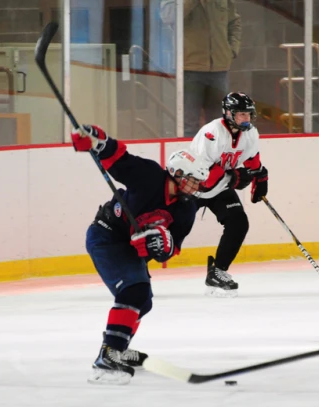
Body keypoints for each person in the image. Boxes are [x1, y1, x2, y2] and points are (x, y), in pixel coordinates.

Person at [70, 124, 211, 385]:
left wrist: (163, 244)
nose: (195, 187)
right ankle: (108, 356)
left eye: (198, 183)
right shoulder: (149, 175)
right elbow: (117, 158)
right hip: (107, 236)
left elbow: (171, 249)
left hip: (128, 248)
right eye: (192, 180)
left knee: (143, 301)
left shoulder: (186, 210)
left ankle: (118, 349)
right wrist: (97, 140)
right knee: (134, 292)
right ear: (177, 174)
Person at [189, 91, 268, 297]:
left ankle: (218, 271)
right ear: (228, 113)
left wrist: (259, 175)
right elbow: (203, 174)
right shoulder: (211, 133)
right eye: (241, 114)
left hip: (220, 187)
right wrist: (234, 177)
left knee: (238, 222)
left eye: (249, 114)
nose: (246, 119)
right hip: (193, 186)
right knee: (173, 228)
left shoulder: (250, 133)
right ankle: (137, 264)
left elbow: (252, 159)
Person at [160, 0, 242, 137]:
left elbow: (234, 21)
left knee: (220, 125)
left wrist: (232, 49)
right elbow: (168, 17)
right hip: (189, 68)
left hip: (219, 69)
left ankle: (217, 157)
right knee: (189, 126)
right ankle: (191, 157)